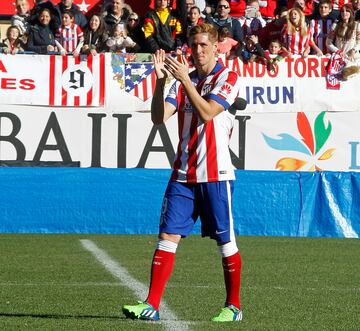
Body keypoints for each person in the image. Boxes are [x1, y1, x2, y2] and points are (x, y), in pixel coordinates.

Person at [122, 22, 243, 323]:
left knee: (225, 242)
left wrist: (183, 81)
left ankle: (233, 307)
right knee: (166, 236)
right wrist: (161, 82)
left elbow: (206, 113)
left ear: (216, 47)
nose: (198, 51)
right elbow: (158, 118)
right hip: (183, 174)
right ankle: (151, 304)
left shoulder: (228, 77)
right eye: (194, 45)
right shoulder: (181, 79)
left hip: (216, 175)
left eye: (204, 45)